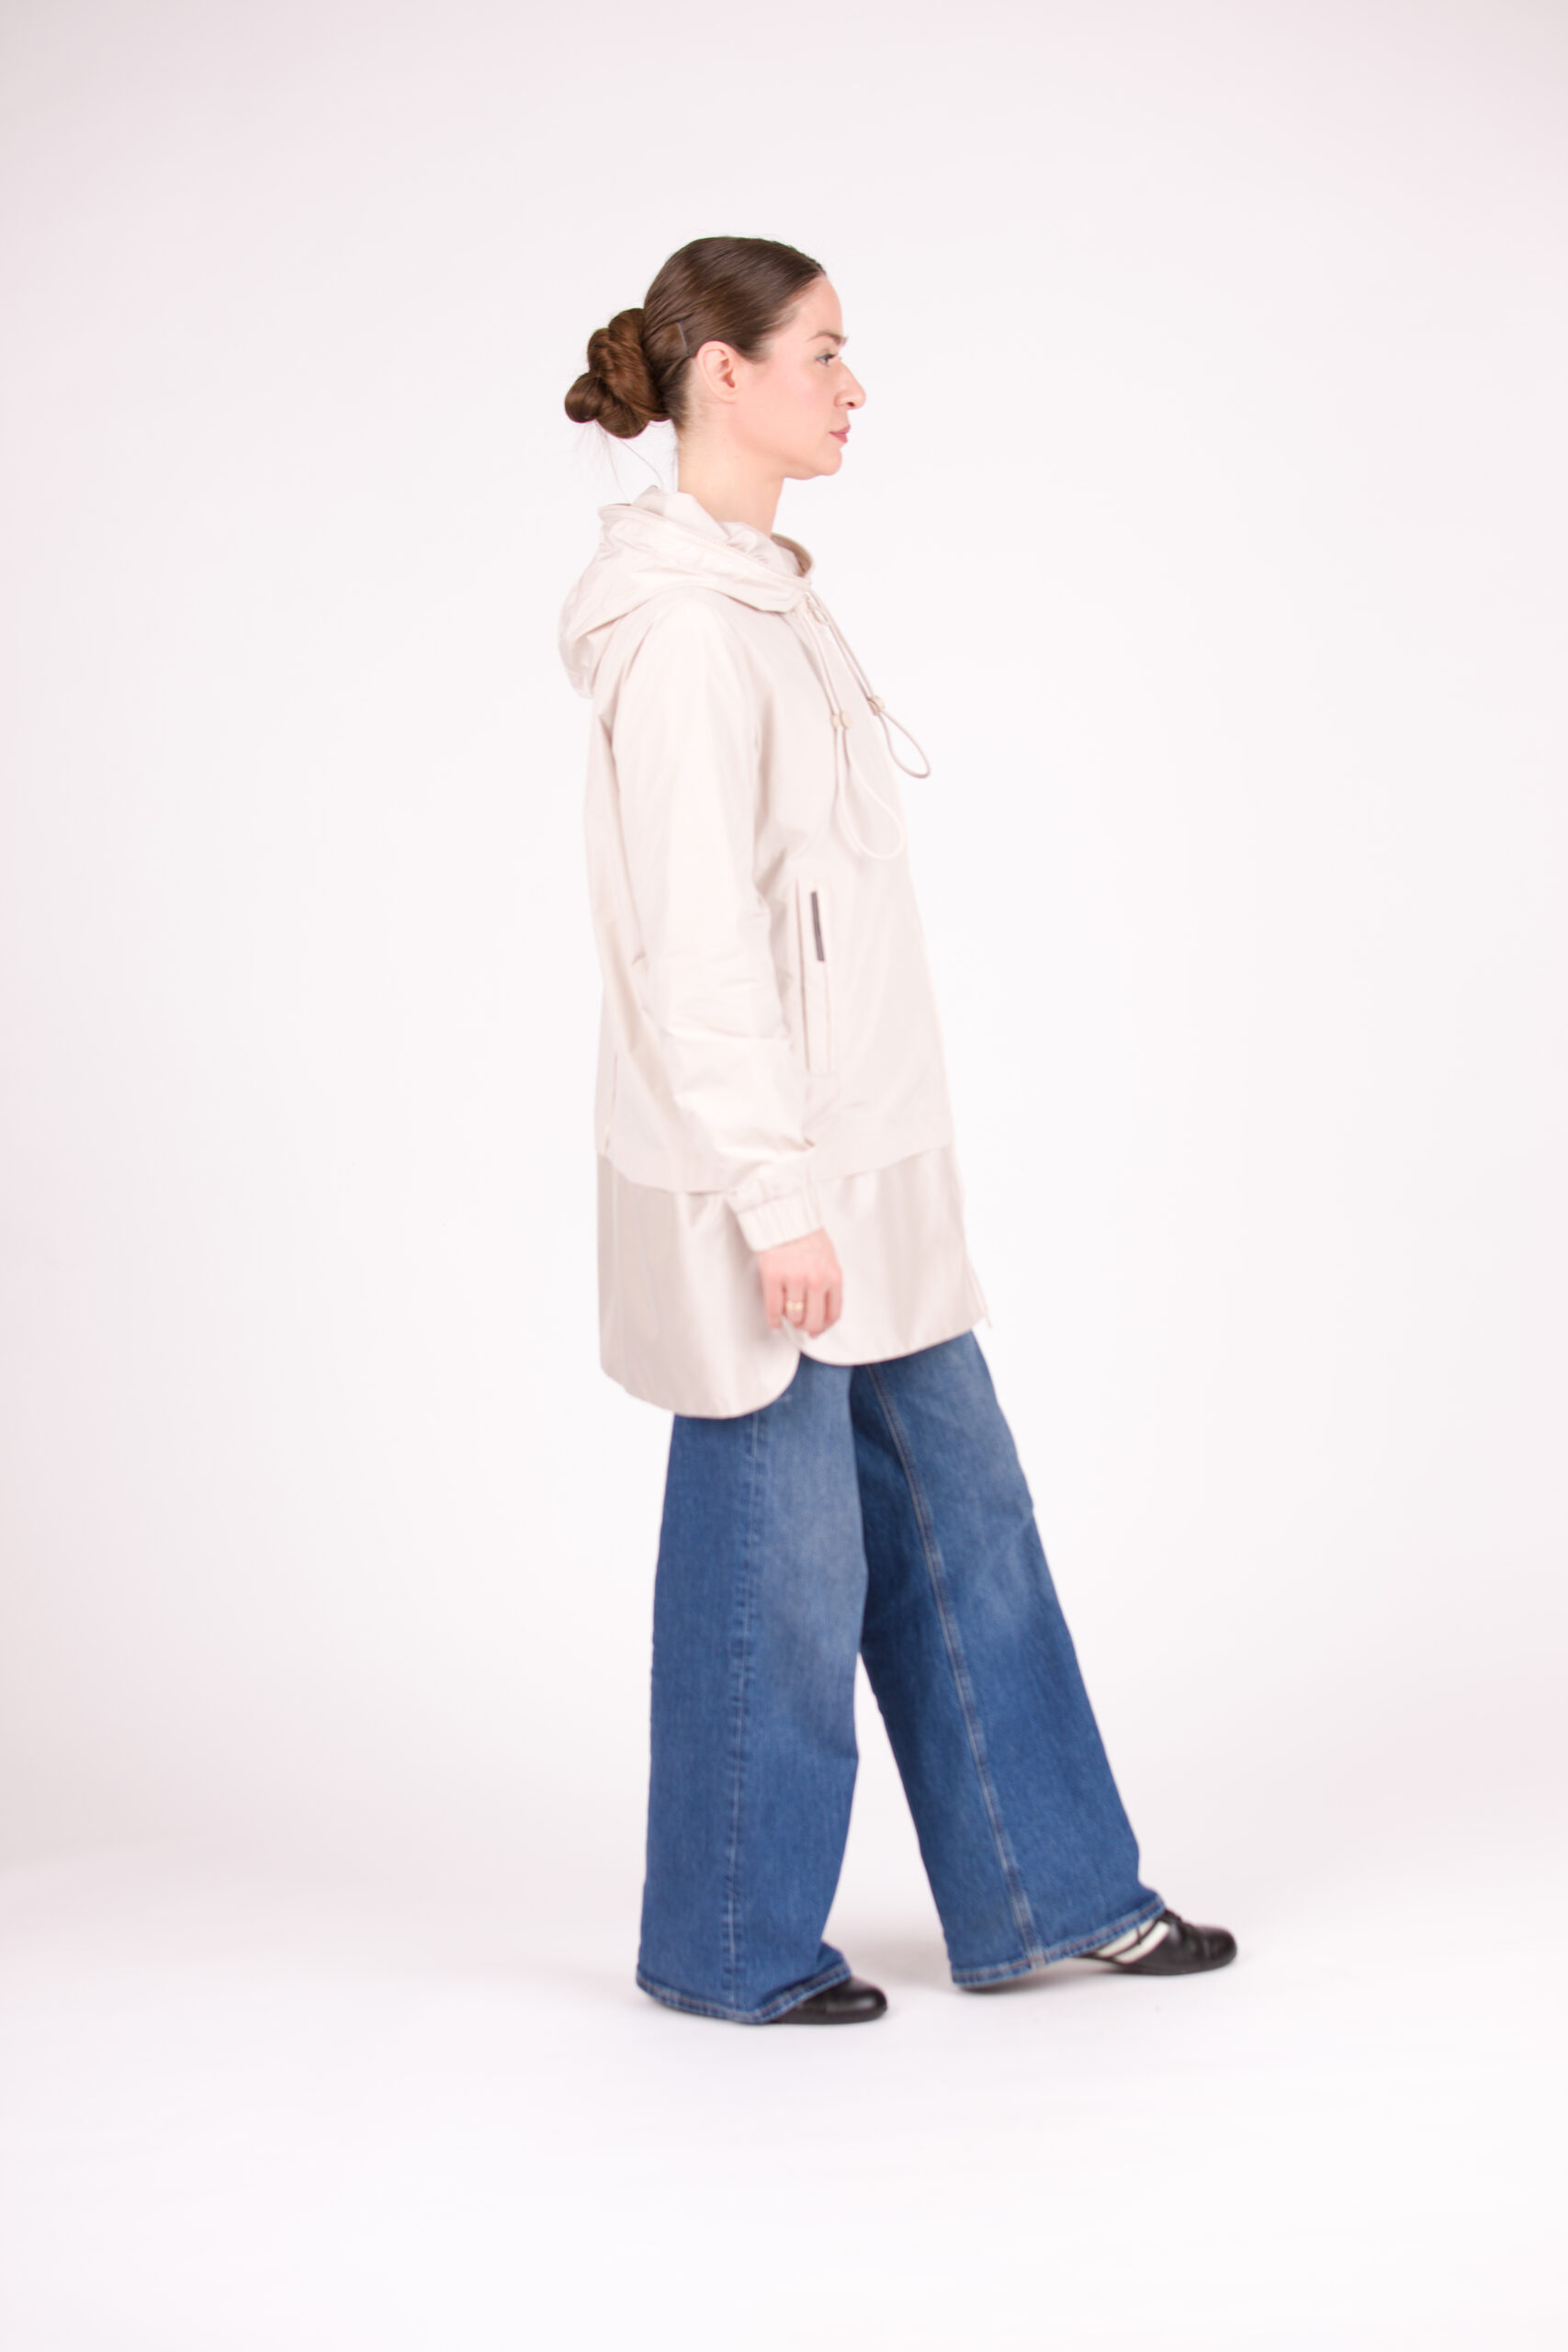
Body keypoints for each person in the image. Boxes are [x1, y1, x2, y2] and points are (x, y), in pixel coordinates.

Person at [558, 235, 1235, 2025]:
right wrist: (774, 1195)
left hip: (859, 1164)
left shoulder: (767, 600)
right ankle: (726, 1939)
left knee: (966, 1520)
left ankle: (1047, 1887)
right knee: (778, 1567)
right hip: (771, 1183)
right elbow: (697, 940)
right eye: (825, 353)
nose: (854, 388)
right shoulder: (683, 633)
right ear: (724, 374)